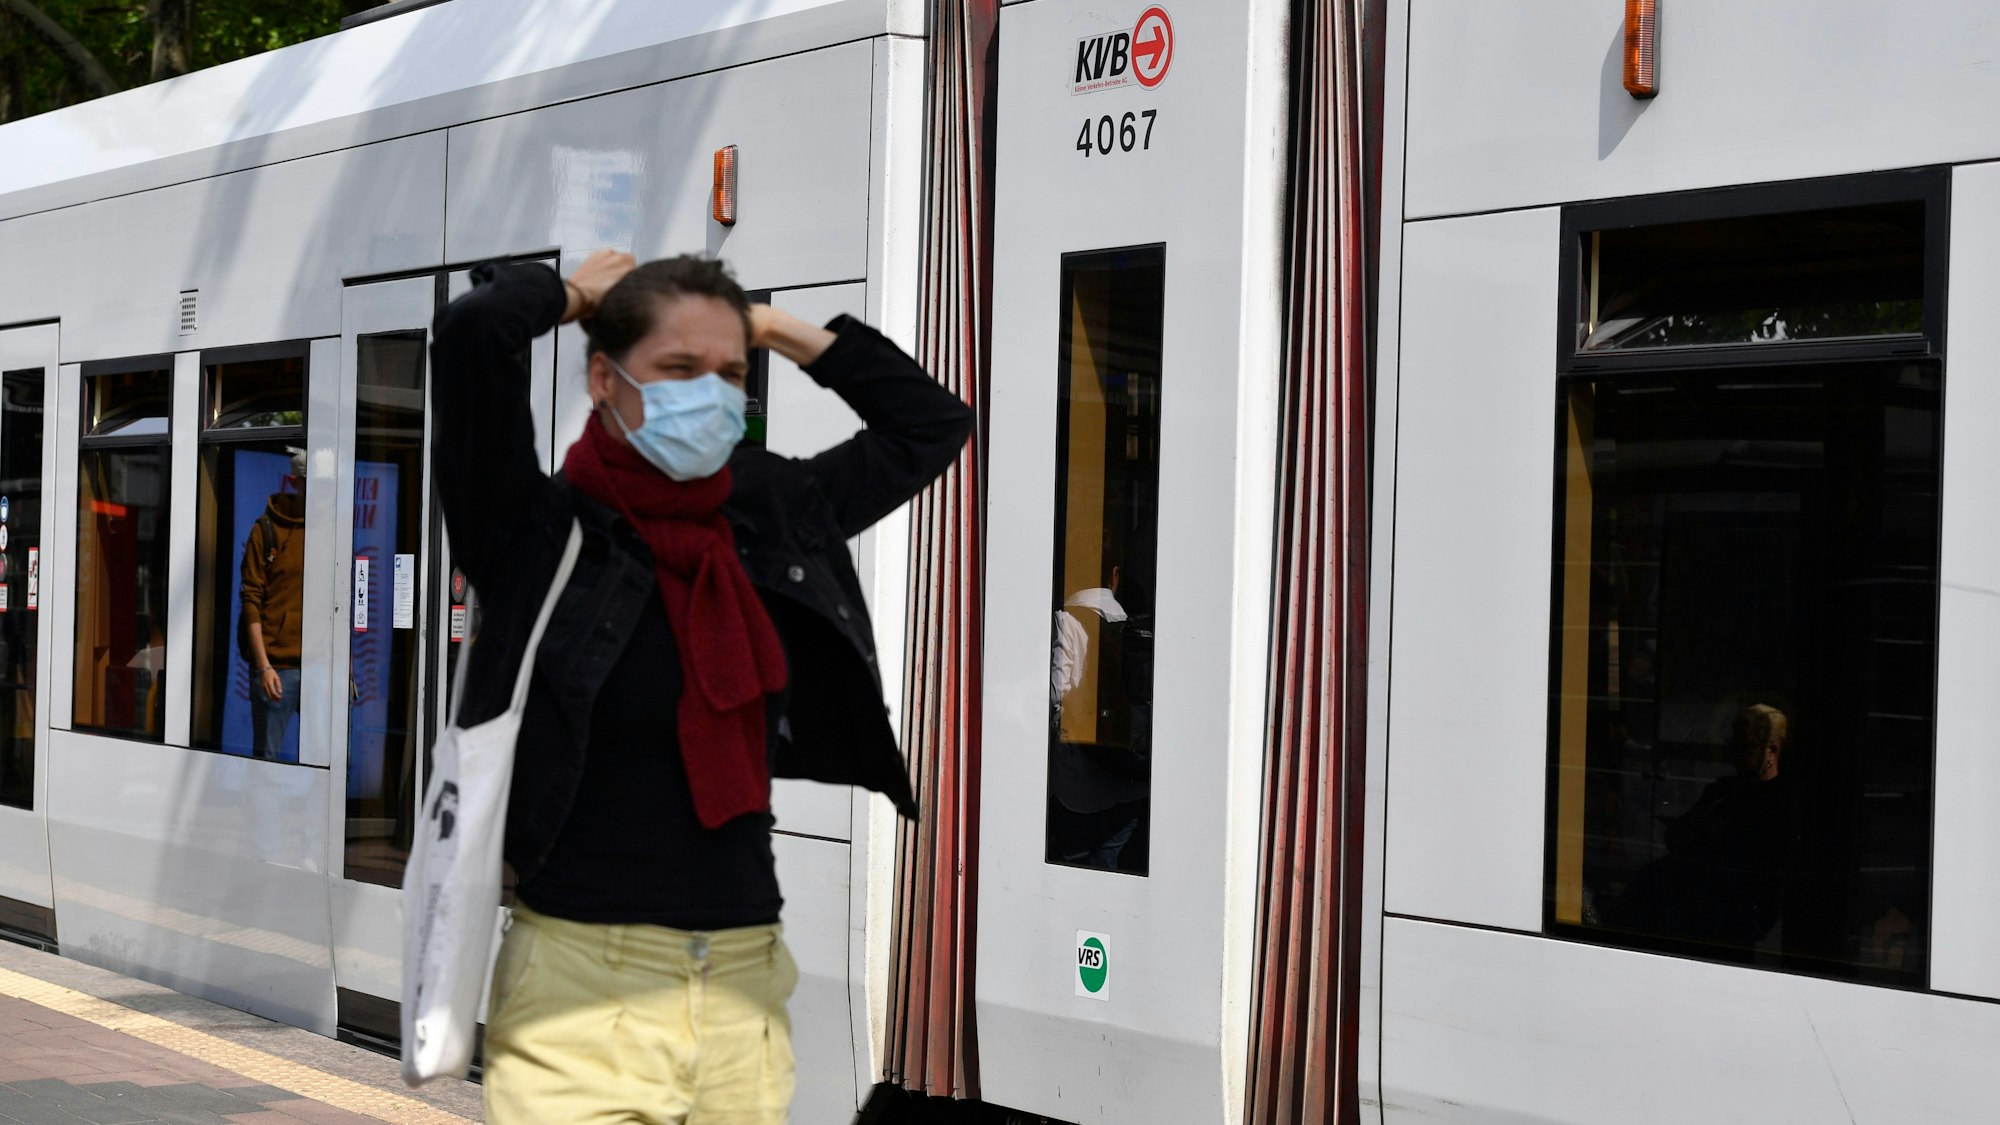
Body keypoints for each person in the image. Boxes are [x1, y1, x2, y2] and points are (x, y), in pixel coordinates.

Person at [430, 249, 971, 1124]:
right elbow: (472, 333)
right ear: (604, 379)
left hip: (742, 980)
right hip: (580, 985)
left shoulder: (768, 511)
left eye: (728, 373)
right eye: (679, 368)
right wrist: (574, 295)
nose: (709, 392)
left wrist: (766, 325)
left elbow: (930, 426)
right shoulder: (536, 529)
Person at [240, 449, 306, 761]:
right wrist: (264, 666)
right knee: (267, 766)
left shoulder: (332, 529)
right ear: (295, 482)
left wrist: (345, 671)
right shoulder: (265, 530)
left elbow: (341, 602)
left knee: (337, 770)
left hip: (323, 671)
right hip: (278, 669)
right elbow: (251, 599)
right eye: (309, 482)